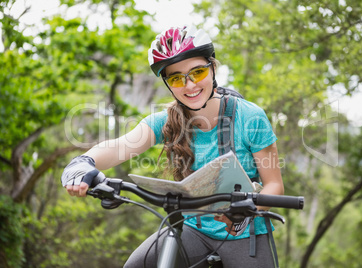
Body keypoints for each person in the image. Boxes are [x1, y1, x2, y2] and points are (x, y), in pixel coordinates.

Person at [61, 25, 284, 267]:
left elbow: (274, 185)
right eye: (177, 78)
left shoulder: (250, 117)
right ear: (168, 84)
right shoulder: (166, 121)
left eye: (197, 72)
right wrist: (83, 162)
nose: (189, 85)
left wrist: (248, 206)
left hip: (245, 233)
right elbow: (119, 146)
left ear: (212, 68)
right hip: (193, 230)